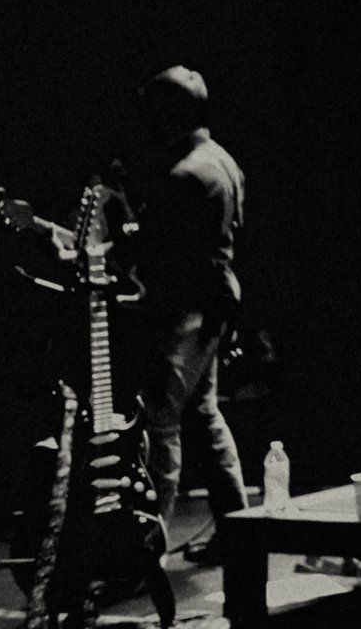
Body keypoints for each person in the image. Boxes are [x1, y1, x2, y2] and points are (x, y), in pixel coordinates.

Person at [129, 65, 250, 560]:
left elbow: (163, 259)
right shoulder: (223, 161)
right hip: (215, 304)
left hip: (185, 313)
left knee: (160, 422)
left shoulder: (183, 174)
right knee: (204, 417)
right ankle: (240, 532)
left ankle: (147, 550)